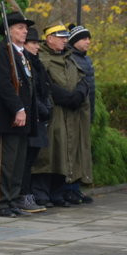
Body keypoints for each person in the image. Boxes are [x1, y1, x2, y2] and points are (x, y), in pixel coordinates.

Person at [32, 22, 92, 208]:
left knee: (66, 153)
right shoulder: (41, 58)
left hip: (71, 115)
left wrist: (79, 94)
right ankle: (41, 193)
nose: (65, 40)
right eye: (61, 37)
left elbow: (83, 80)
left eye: (66, 37)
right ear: (49, 39)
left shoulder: (69, 58)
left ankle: (57, 193)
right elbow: (46, 85)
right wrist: (66, 97)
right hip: (54, 113)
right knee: (48, 154)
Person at [0, 11, 36, 218]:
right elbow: (3, 85)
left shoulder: (22, 54)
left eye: (25, 28)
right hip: (10, 116)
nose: (24, 31)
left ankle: (13, 199)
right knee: (7, 162)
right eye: (19, 28)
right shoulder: (0, 52)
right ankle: (1, 201)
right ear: (8, 30)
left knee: (18, 163)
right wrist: (18, 108)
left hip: (24, 117)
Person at [16, 27, 52, 213]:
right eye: (33, 42)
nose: (37, 46)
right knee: (25, 159)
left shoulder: (36, 63)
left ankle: (26, 193)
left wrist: (47, 107)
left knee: (30, 160)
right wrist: (42, 108)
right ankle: (23, 194)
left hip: (39, 116)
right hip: (31, 116)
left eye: (38, 43)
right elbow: (29, 91)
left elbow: (44, 88)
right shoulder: (24, 62)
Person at [62, 24, 96, 205]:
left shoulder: (86, 59)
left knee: (81, 152)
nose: (88, 42)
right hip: (74, 110)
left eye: (89, 38)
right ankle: (68, 189)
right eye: (84, 38)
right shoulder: (70, 59)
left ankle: (76, 188)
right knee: (71, 151)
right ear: (74, 41)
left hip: (84, 110)